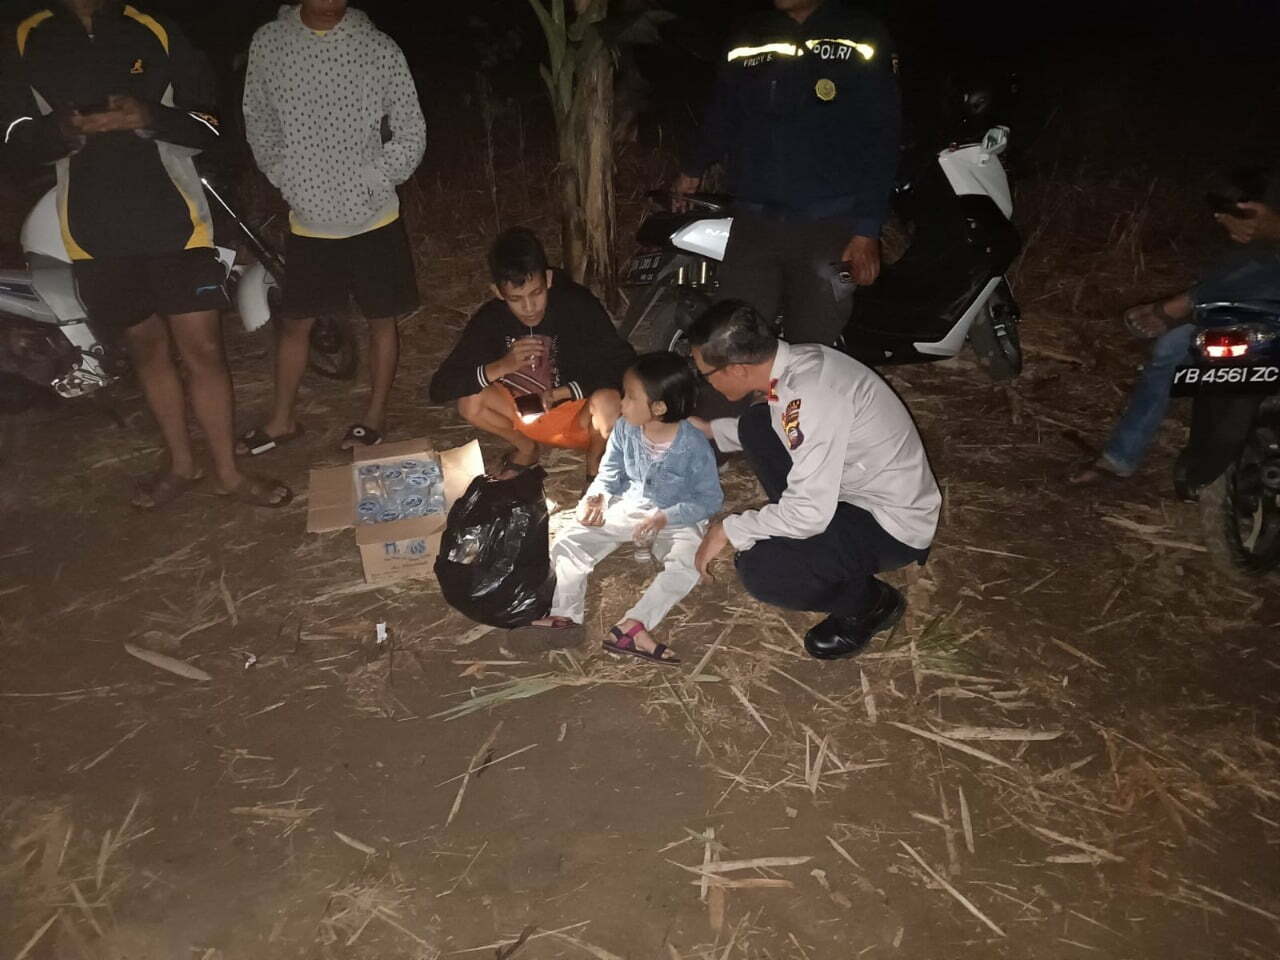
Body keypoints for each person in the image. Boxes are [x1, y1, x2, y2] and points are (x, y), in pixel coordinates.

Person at [1, 0, 289, 509]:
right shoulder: (27, 38)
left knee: (203, 351)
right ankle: (182, 465)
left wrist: (149, 115)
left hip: (175, 222)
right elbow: (13, 138)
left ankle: (228, 472)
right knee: (147, 351)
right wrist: (62, 131)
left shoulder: (153, 28)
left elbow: (213, 124)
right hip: (95, 230)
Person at [689, 301, 940, 660]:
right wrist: (711, 431)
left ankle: (870, 604)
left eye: (706, 374)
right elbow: (786, 423)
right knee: (755, 425)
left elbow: (809, 512)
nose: (706, 382)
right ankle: (814, 545)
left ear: (738, 370)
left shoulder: (814, 395)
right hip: (850, 488)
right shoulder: (799, 363)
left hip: (892, 522)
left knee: (763, 569)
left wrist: (728, 529)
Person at [238, 0, 426, 454]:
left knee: (381, 320)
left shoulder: (379, 48)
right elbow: (258, 118)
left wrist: (375, 178)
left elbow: (411, 130)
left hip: (374, 216)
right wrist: (286, 174)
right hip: (309, 219)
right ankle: (281, 419)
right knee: (295, 321)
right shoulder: (270, 43)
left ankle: (374, 415)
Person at [673, 0, 899, 345]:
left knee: (812, 350)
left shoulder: (862, 34)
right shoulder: (748, 35)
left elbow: (882, 136)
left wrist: (867, 230)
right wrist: (693, 168)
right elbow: (723, 113)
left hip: (829, 227)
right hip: (754, 222)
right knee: (735, 344)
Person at [1069, 165, 1280, 485]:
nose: (1220, 220)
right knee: (1170, 348)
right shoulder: (1251, 235)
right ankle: (1120, 458)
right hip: (1256, 317)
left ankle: (1184, 305)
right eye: (1220, 213)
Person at [530, 352, 724, 664]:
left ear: (659, 408)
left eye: (631, 397)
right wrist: (598, 496)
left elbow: (709, 499)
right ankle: (564, 616)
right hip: (630, 505)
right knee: (571, 538)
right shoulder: (625, 428)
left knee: (689, 564)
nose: (621, 403)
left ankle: (635, 625)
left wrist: (666, 517)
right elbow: (610, 472)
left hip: (675, 516)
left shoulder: (693, 445)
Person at [428, 228, 635, 481]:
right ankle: (526, 449)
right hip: (522, 415)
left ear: (548, 279)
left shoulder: (576, 305)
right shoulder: (491, 319)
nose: (528, 308)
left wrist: (563, 392)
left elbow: (624, 364)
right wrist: (502, 366)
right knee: (469, 399)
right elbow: (440, 388)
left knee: (608, 399)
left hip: (582, 421)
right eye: (516, 299)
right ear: (497, 292)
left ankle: (595, 472)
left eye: (536, 293)